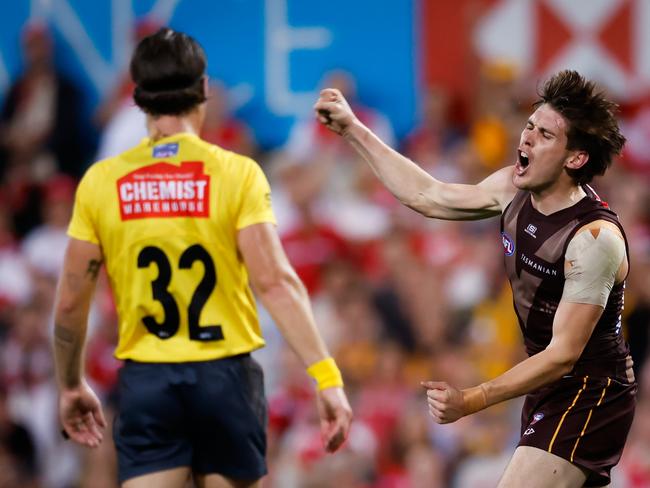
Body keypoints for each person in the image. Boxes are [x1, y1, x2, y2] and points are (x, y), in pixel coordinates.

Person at [52, 28, 352, 488]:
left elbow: (72, 299)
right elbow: (275, 282)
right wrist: (325, 375)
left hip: (148, 380)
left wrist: (71, 384)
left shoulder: (101, 183)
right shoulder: (237, 174)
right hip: (225, 378)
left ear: (138, 98)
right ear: (204, 91)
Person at [315, 70, 636, 487]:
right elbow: (428, 196)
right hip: (550, 388)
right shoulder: (513, 188)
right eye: (529, 127)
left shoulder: (593, 239)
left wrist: (471, 399)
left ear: (575, 159)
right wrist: (353, 129)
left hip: (590, 394)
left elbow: (563, 354)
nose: (526, 139)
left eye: (544, 135)